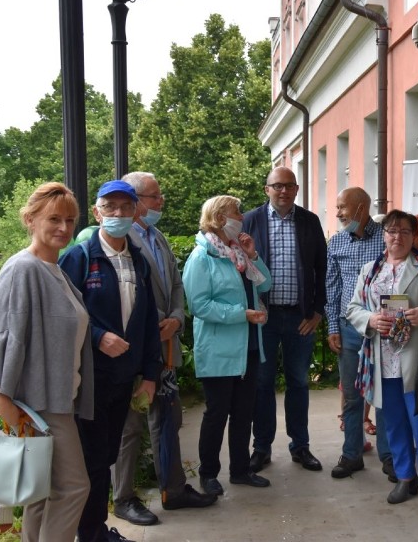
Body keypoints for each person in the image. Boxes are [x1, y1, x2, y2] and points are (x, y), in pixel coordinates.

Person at [0, 182, 93, 542]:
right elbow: (6, 338)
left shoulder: (54, 270)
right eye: (54, 218)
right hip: (38, 405)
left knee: (40, 495)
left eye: (70, 220)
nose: (63, 227)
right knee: (75, 487)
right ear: (30, 219)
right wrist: (2, 398)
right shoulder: (22, 269)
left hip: (56, 399)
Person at [59, 180, 163, 542]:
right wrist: (98, 336)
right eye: (110, 206)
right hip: (89, 380)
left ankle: (94, 530)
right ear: (97, 211)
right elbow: (63, 316)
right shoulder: (79, 257)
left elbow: (149, 320)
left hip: (124, 379)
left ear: (136, 211)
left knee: (104, 457)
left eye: (125, 206)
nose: (118, 214)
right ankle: (90, 533)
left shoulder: (138, 260)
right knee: (90, 459)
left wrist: (150, 374)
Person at [110, 172, 215, 528]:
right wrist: (157, 321)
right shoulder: (122, 241)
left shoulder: (158, 237)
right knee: (131, 425)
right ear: (136, 201)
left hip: (165, 346)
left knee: (168, 420)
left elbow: (174, 283)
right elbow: (125, 292)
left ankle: (174, 490)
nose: (161, 202)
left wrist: (174, 318)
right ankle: (123, 497)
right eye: (155, 197)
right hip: (136, 348)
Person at [346, 210, 418, 514]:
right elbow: (353, 307)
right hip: (382, 361)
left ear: (412, 236)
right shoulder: (371, 269)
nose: (398, 237)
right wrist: (371, 318)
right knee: (392, 424)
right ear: (384, 234)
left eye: (405, 232)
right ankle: (406, 477)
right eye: (392, 231)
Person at [183, 195, 273, 496]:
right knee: (216, 413)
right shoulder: (201, 257)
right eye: (237, 211)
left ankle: (241, 470)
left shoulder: (237, 253)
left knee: (244, 413)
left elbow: (265, 285)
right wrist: (241, 315)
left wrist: (253, 254)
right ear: (220, 218)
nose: (242, 216)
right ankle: (208, 474)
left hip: (247, 346)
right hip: (219, 350)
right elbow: (199, 306)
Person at [242, 166, 327, 473]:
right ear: (267, 189)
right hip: (263, 317)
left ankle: (300, 446)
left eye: (288, 186)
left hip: (299, 317)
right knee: (262, 383)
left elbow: (322, 268)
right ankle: (261, 447)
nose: (283, 191)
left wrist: (317, 312)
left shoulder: (309, 221)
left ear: (296, 189)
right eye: (277, 186)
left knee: (299, 382)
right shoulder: (251, 220)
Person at [325, 187, 394, 481]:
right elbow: (332, 287)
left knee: (386, 395)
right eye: (338, 208)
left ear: (361, 208)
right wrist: (331, 327)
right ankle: (351, 454)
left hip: (383, 329)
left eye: (343, 207)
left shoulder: (387, 238)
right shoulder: (337, 242)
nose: (338, 213)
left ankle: (390, 456)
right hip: (349, 328)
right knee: (353, 397)